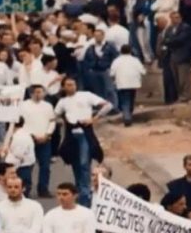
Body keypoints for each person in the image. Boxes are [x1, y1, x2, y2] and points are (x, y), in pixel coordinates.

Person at [55, 76, 112, 207]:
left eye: (73, 84)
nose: (71, 87)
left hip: (85, 132)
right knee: (75, 163)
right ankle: (80, 192)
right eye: (68, 85)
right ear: (64, 87)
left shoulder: (86, 95)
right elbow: (55, 115)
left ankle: (85, 195)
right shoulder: (62, 102)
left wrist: (94, 118)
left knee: (84, 163)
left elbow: (108, 105)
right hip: (71, 133)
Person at [19, 85, 55, 198]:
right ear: (31, 94)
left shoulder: (48, 106)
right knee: (27, 165)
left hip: (44, 138)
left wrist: (48, 134)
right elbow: (20, 122)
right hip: (28, 138)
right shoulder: (23, 105)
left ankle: (43, 189)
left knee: (45, 166)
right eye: (36, 92)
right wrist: (29, 135)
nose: (39, 94)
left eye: (41, 92)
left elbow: (52, 121)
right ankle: (25, 189)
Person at [109, 44, 146, 126]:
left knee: (125, 101)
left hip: (121, 83)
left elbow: (112, 73)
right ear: (130, 51)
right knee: (131, 99)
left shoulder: (117, 61)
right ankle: (129, 114)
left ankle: (127, 117)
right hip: (134, 83)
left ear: (120, 51)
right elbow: (143, 71)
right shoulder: (135, 60)